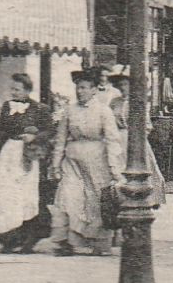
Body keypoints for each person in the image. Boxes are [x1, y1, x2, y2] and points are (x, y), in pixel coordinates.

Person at [49, 70, 123, 256]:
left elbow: (113, 140)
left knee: (94, 201)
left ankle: (98, 242)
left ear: (93, 90)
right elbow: (60, 139)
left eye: (83, 88)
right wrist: (56, 164)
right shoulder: (69, 110)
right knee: (68, 196)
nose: (79, 92)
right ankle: (66, 241)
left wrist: (115, 169)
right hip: (72, 162)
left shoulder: (104, 111)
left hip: (97, 163)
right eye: (77, 88)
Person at [0, 73, 53, 253]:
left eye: (17, 89)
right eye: (12, 89)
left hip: (28, 156)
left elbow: (49, 131)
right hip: (9, 154)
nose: (13, 92)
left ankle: (28, 239)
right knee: (5, 195)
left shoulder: (39, 109)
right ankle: (8, 238)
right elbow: (2, 131)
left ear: (27, 90)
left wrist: (34, 137)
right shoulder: (7, 106)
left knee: (26, 196)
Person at [105, 71, 165, 207]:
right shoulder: (115, 102)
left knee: (142, 167)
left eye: (126, 84)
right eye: (120, 85)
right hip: (118, 139)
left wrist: (139, 137)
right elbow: (107, 120)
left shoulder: (138, 102)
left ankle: (148, 198)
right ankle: (120, 198)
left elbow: (147, 125)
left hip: (135, 140)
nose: (123, 87)